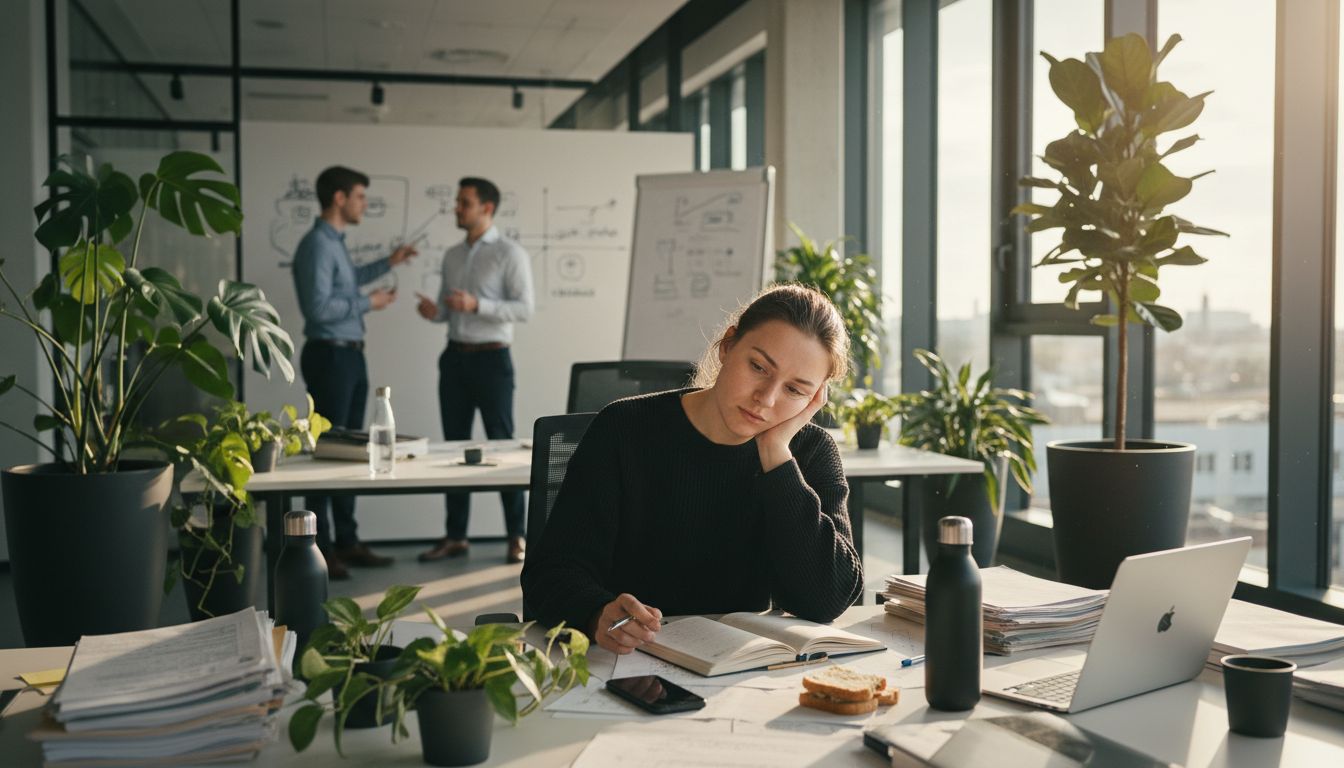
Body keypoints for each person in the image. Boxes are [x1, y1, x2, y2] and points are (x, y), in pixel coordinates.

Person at [521, 284, 863, 654]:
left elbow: (828, 599)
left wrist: (775, 453)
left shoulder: (810, 451)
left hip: (741, 672)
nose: (766, 399)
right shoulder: (625, 428)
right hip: (627, 662)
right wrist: (595, 612)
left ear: (815, 398)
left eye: (795, 390)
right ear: (728, 346)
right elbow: (551, 571)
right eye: (758, 367)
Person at [292, 165, 417, 579]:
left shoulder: (334, 244)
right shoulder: (316, 246)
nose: (365, 204)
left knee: (347, 449)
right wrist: (369, 303)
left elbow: (346, 285)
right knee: (328, 452)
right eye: (360, 196)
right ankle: (323, 547)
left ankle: (346, 540)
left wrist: (389, 262)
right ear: (340, 198)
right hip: (330, 355)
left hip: (347, 355)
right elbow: (318, 308)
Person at [416, 177, 535, 565]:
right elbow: (448, 309)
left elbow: (524, 308)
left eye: (464, 202)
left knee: (502, 446)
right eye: (457, 201)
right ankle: (456, 537)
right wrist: (437, 313)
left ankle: (517, 536)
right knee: (454, 447)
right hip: (454, 358)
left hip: (492, 360)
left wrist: (477, 305)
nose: (456, 208)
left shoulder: (509, 253)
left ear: (486, 208)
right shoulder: (451, 255)